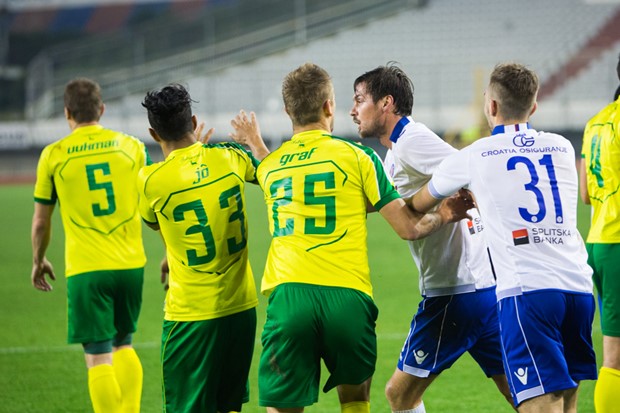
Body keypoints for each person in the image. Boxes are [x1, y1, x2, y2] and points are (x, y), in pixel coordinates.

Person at [230, 62, 475, 413]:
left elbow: (272, 171)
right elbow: (408, 226)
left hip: (290, 297)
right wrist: (446, 214)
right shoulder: (359, 158)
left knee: (282, 407)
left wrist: (254, 141)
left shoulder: (272, 167)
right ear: (329, 106)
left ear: (287, 111)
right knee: (357, 402)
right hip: (348, 298)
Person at [411, 62, 597, 412]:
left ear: (491, 107)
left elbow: (419, 203)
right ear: (535, 107)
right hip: (578, 289)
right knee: (567, 404)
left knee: (539, 405)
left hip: (528, 293)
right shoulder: (560, 147)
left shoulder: (475, 155)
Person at [350, 64, 513, 412]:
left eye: (359, 99)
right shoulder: (396, 152)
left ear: (386, 103)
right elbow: (385, 203)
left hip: (455, 293)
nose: (352, 110)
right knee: (522, 394)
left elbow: (469, 169)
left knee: (399, 394)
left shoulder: (411, 142)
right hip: (483, 288)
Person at [138, 84, 264, 413]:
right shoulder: (232, 157)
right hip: (241, 310)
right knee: (229, 406)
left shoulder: (149, 181)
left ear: (153, 133)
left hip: (190, 317)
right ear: (194, 122)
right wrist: (205, 157)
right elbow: (270, 174)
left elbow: (160, 223)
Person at [31, 78, 147, 413]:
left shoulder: (53, 155)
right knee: (124, 345)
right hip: (130, 265)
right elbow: (154, 204)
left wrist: (38, 259)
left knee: (98, 357)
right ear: (102, 109)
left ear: (67, 112)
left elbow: (41, 222)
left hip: (87, 268)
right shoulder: (132, 147)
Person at [580, 53, 620, 413]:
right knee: (615, 356)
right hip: (619, 242)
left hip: (600, 238)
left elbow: (585, 193)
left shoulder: (596, 123)